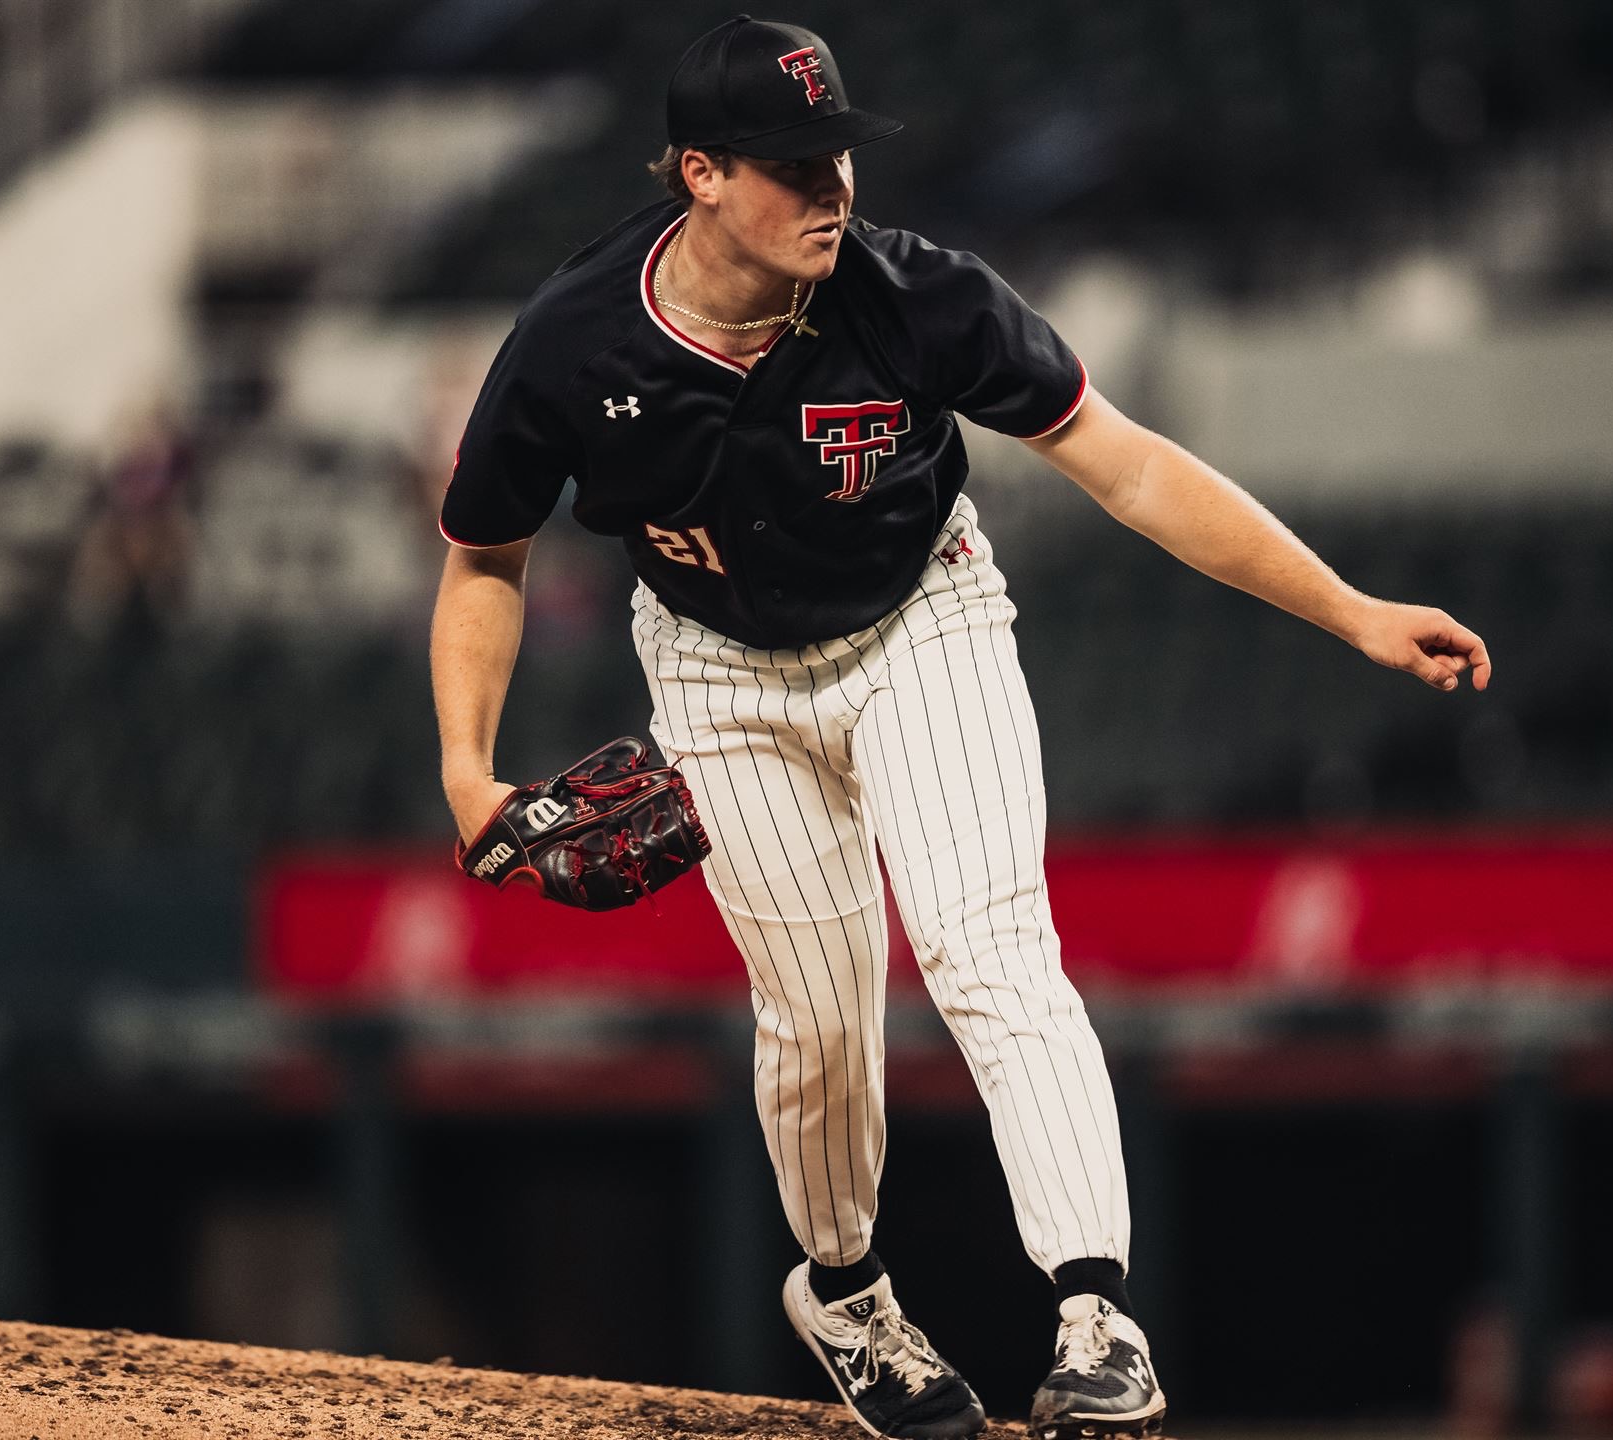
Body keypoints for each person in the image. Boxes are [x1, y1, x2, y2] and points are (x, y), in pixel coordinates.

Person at [429, 16, 1492, 1439]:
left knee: (990, 947)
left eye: (840, 157)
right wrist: (463, 764)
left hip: (919, 619)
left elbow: (1129, 465)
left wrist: (1349, 609)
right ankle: (848, 1297)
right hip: (714, 667)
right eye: (793, 166)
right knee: (815, 1022)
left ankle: (1098, 1317)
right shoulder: (576, 338)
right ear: (699, 171)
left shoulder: (918, 299)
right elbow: (483, 557)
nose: (833, 190)